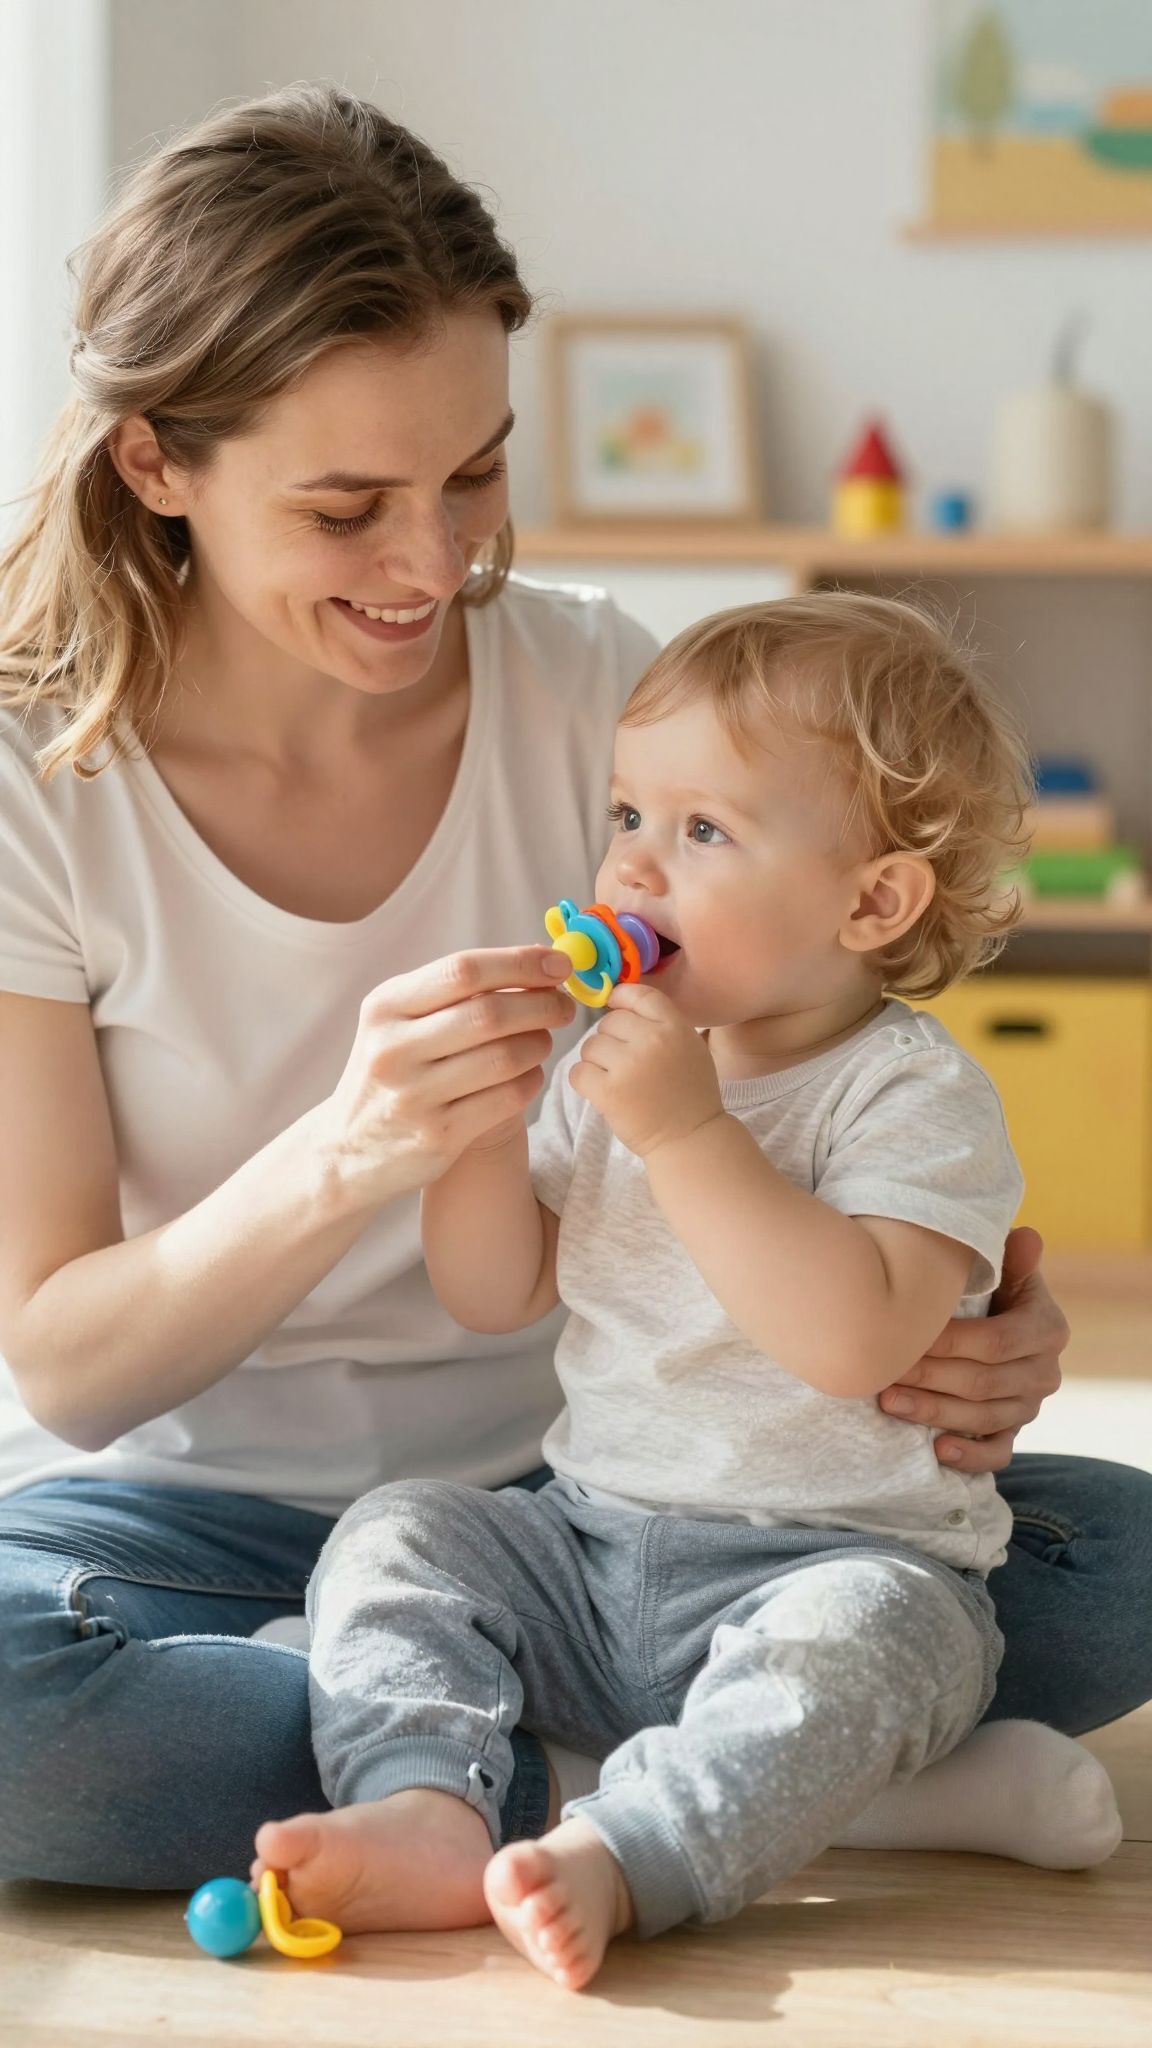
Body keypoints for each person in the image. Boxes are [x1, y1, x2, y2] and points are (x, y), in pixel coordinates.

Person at [0, 86, 1146, 1895]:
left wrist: (974, 1342)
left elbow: (836, 1102)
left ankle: (450, 1754)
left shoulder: (616, 707)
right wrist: (355, 1150)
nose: (435, 563)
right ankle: (719, 1769)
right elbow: (66, 1366)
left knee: (1112, 1558)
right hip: (184, 1518)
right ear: (157, 464)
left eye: (475, 472)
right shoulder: (36, 783)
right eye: (347, 507)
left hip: (611, 1482)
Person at [264, 596, 1123, 1987]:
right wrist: (478, 1131)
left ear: (872, 902)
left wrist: (688, 1136)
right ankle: (424, 1801)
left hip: (828, 1561)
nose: (633, 865)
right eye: (626, 815)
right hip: (592, 1549)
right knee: (403, 1529)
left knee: (876, 1643)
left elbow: (850, 1340)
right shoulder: (614, 1067)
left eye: (703, 830)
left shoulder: (910, 1095)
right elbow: (494, 1289)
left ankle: (635, 1850)